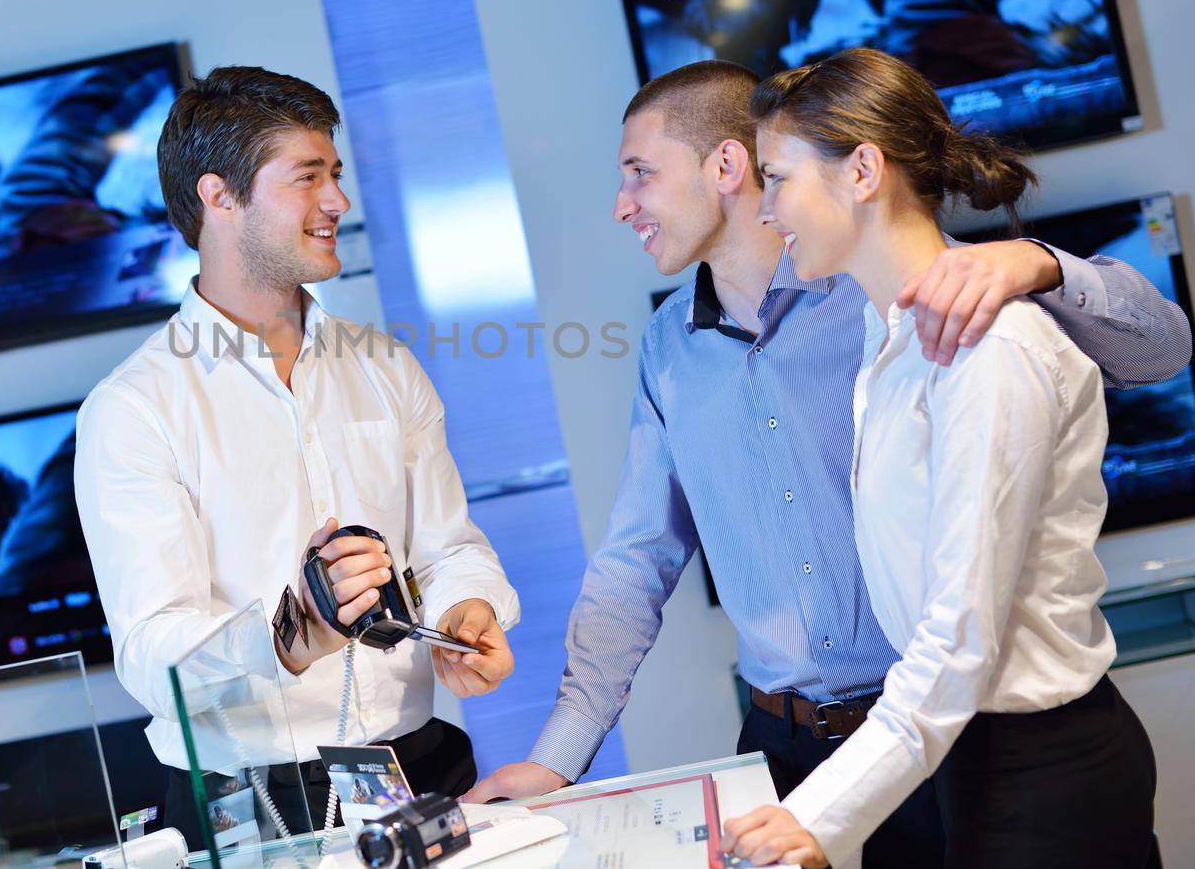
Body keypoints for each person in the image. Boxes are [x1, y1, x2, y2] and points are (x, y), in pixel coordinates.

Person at [464, 60, 1188, 868]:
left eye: (640, 172)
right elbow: (634, 561)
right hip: (792, 742)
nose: (621, 204)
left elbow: (1159, 350)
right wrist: (557, 756)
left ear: (729, 168)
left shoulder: (925, 303)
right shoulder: (677, 346)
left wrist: (1041, 261)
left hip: (938, 726)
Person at [720, 48, 1157, 868]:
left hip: (1047, 772)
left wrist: (818, 814)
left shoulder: (987, 346)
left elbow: (958, 637)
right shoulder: (885, 336)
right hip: (965, 755)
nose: (766, 208)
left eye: (777, 178)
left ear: (861, 171)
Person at [74, 66, 520, 849]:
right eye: (307, 178)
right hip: (247, 809)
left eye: (336, 175)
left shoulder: (386, 367)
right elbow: (150, 658)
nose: (338, 202)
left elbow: (451, 548)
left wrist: (464, 609)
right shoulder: (134, 408)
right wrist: (291, 635)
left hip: (417, 770)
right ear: (220, 198)